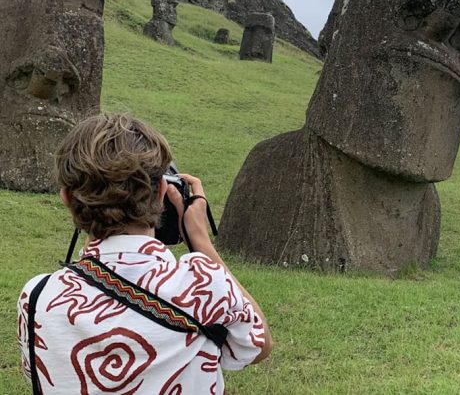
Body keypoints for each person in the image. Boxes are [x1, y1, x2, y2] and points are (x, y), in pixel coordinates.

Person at [17, 113, 272, 394]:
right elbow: (258, 346)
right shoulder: (204, 284)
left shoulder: (36, 297)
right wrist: (201, 241)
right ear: (162, 190)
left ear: (66, 198)